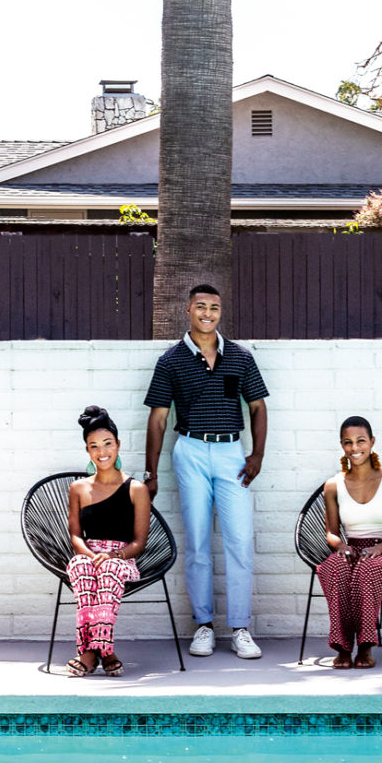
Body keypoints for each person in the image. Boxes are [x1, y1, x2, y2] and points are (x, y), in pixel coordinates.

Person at [143, 283, 269, 659]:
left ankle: (240, 627)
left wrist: (257, 455)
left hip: (232, 453)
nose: (207, 313)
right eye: (201, 306)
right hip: (191, 451)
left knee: (239, 540)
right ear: (188, 310)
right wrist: (151, 473)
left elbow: (258, 407)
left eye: (214, 307)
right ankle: (204, 626)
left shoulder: (240, 357)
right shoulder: (171, 360)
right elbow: (158, 419)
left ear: (220, 312)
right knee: (197, 542)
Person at [65, 406, 150, 677]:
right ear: (87, 451)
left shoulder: (136, 488)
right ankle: (104, 651)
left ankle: (90, 652)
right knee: (80, 567)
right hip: (88, 554)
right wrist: (92, 556)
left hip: (121, 558)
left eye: (107, 444)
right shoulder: (78, 488)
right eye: (94, 446)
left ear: (118, 445)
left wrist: (114, 556)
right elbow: (76, 536)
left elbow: (140, 542)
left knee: (109, 570)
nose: (102, 451)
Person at [318, 416, 382, 669]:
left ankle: (366, 646)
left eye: (361, 441)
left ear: (372, 442)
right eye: (348, 442)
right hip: (351, 550)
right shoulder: (333, 485)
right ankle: (343, 648)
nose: (354, 447)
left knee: (367, 569)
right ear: (341, 445)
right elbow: (331, 532)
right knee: (333, 567)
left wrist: (379, 548)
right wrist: (340, 546)